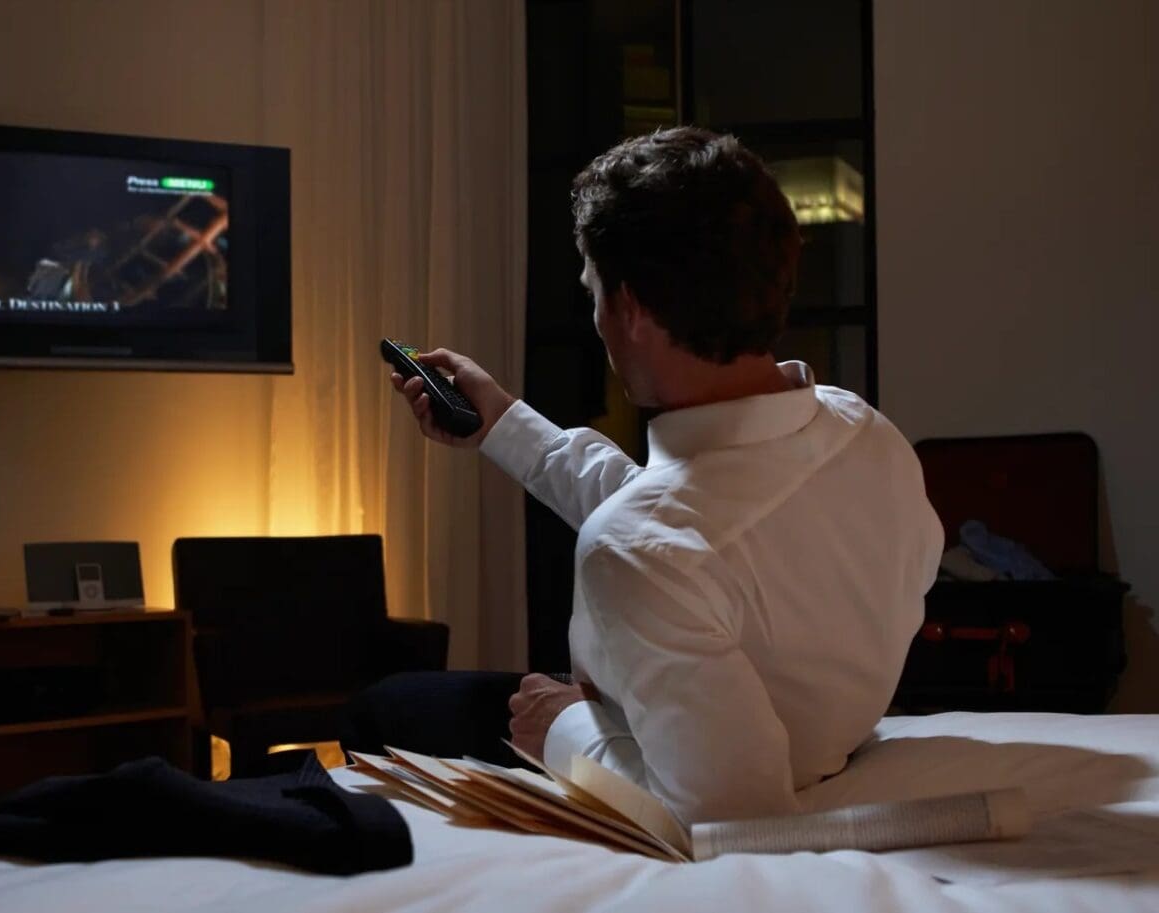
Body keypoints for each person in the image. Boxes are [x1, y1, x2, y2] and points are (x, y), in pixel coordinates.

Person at [340, 127, 943, 825]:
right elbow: (691, 524)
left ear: (628, 308)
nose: (594, 316)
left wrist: (565, 728)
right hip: (810, 730)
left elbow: (735, 811)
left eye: (594, 292)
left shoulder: (637, 550)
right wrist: (503, 422)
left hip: (658, 748)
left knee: (378, 711)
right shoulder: (865, 433)